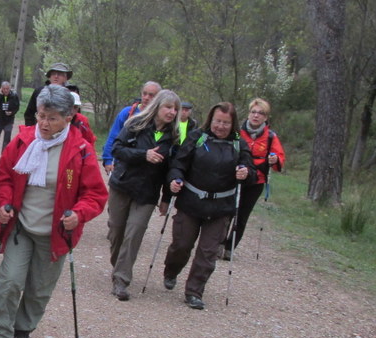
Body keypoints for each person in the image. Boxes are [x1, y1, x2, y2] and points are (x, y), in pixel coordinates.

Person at [0, 85, 108, 338]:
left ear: (68, 118)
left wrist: (79, 214)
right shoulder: (23, 141)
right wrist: (3, 204)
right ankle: (0, 335)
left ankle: (23, 330)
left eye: (51, 118)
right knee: (10, 281)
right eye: (40, 116)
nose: (44, 123)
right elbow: (3, 176)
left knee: (39, 287)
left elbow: (95, 194)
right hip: (21, 227)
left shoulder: (81, 150)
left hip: (56, 231)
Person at [162, 102, 255, 310]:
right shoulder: (197, 137)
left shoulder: (239, 143)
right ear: (210, 120)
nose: (220, 126)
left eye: (225, 123)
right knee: (181, 245)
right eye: (217, 121)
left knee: (208, 252)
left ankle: (194, 291)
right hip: (191, 202)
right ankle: (171, 270)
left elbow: (251, 171)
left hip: (221, 207)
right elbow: (179, 164)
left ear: (233, 124)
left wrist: (246, 173)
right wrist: (175, 179)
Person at [107, 89, 181, 300]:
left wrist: (166, 198)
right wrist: (143, 155)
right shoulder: (135, 124)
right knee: (116, 231)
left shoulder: (173, 137)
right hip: (122, 185)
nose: (172, 112)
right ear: (157, 106)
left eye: (175, 109)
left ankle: (121, 280)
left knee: (134, 234)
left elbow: (171, 169)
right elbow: (117, 149)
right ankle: (118, 265)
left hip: (147, 193)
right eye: (168, 107)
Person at [222, 97, 285, 257]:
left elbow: (279, 157)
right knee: (226, 211)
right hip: (235, 176)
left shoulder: (270, 136)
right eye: (253, 112)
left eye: (261, 113)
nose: (256, 115)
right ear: (249, 114)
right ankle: (218, 244)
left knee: (242, 215)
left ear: (266, 117)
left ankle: (230, 248)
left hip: (256, 180)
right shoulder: (237, 132)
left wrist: (275, 159)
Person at [102, 81, 162, 173]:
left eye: (151, 95)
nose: (146, 98)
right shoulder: (128, 112)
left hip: (146, 170)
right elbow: (113, 137)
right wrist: (108, 159)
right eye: (144, 94)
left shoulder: (159, 118)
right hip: (121, 165)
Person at [0, 81, 20, 159]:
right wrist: (0, 95)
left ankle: (4, 155)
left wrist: (12, 112)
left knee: (7, 137)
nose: (6, 90)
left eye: (7, 89)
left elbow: (17, 107)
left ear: (10, 88)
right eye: (4, 89)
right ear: (1, 89)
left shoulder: (14, 96)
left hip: (9, 120)